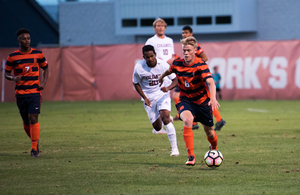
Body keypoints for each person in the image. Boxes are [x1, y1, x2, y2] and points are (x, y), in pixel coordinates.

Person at [158, 37, 219, 166]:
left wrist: (213, 98)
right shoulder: (177, 63)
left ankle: (213, 149)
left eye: (188, 50)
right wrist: (161, 77)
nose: (185, 53)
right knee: (187, 120)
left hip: (203, 102)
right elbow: (169, 70)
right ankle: (191, 156)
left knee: (210, 133)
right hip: (186, 100)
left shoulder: (200, 64)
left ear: (195, 51)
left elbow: (210, 82)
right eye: (184, 50)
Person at [4, 28, 49, 157]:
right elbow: (6, 73)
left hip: (35, 92)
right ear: (19, 40)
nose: (27, 40)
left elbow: (46, 68)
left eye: (28, 38)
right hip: (20, 93)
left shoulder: (38, 54)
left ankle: (34, 148)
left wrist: (44, 82)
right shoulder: (12, 57)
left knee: (33, 117)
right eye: (24, 39)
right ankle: (35, 141)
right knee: (25, 120)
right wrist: (13, 78)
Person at [174, 26, 226, 131]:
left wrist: (195, 66)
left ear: (191, 33)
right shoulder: (185, 45)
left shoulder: (195, 45)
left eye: (186, 32)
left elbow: (205, 58)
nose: (184, 34)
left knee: (206, 100)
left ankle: (214, 120)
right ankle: (193, 121)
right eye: (183, 32)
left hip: (195, 78)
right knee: (180, 96)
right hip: (185, 77)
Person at [132, 45, 179, 156]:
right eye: (147, 57)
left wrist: (167, 88)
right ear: (143, 57)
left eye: (152, 56)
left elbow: (175, 80)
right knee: (157, 127)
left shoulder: (163, 65)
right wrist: (145, 98)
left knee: (165, 118)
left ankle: (175, 150)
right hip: (149, 98)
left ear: (155, 55)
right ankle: (167, 117)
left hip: (162, 94)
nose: (150, 59)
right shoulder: (139, 68)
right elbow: (136, 83)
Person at [145, 18, 177, 134]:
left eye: (162, 25)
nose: (160, 27)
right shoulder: (151, 41)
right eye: (158, 25)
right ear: (154, 28)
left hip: (168, 69)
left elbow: (173, 55)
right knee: (156, 94)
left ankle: (165, 117)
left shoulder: (169, 40)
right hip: (157, 70)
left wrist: (169, 61)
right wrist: (160, 61)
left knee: (166, 92)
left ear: (165, 27)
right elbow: (148, 56)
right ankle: (157, 125)